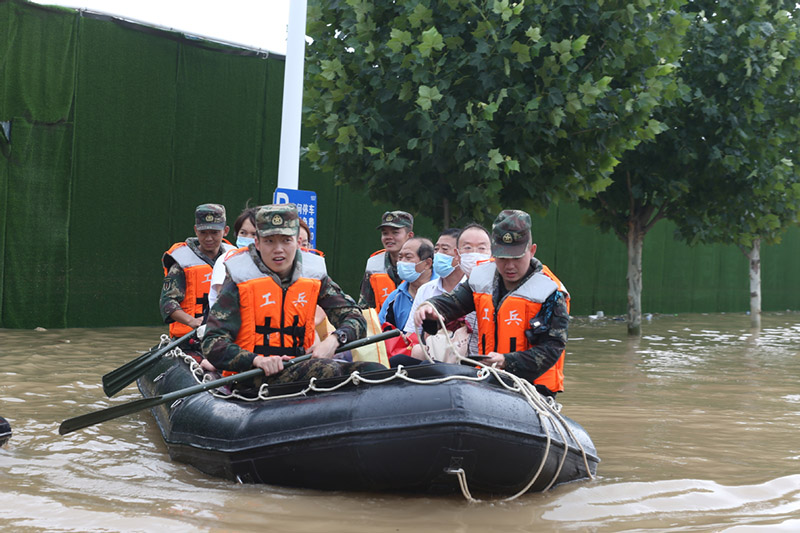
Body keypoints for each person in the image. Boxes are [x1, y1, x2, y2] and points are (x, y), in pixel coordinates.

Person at [202, 204, 384, 387]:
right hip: (251, 374)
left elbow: (355, 318)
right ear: (257, 243)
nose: (278, 249)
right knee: (329, 371)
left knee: (374, 370)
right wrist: (257, 360)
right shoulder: (239, 279)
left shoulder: (314, 276)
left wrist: (334, 340)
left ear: (298, 241)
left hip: (300, 364)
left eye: (286, 240)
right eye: (269, 241)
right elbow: (213, 343)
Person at [413, 210, 570, 398]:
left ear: (532, 250)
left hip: (533, 388)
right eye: (502, 258)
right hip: (488, 378)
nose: (509, 266)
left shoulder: (551, 292)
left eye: (516, 258)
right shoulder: (481, 278)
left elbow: (552, 348)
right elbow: (454, 302)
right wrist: (431, 308)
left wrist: (507, 361)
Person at [160, 203, 235, 342]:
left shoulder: (234, 257)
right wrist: (192, 321)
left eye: (214, 232)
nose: (209, 238)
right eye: (203, 232)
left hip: (225, 336)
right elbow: (167, 303)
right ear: (195, 230)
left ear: (225, 231)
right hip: (190, 338)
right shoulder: (182, 262)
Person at [358, 210, 414, 312]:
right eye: (385, 233)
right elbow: (365, 308)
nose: (389, 237)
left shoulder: (421, 263)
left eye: (395, 232)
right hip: (381, 325)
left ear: (409, 236)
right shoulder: (374, 264)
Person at [378, 237, 436, 331]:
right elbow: (381, 330)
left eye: (408, 257)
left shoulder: (443, 289)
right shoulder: (395, 297)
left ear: (427, 263)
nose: (402, 262)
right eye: (400, 257)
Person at [208, 207, 258, 309]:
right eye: (243, 233)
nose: (248, 238)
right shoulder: (226, 260)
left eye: (254, 234)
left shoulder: (269, 263)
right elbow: (224, 303)